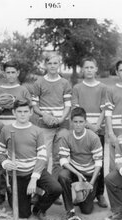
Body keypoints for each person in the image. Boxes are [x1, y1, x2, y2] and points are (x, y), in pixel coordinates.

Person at [0, 99, 62, 220]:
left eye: (25, 111)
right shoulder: (6, 130)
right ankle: (12, 191)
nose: (22, 114)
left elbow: (42, 156)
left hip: (34, 171)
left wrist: (34, 178)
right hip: (18, 174)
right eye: (19, 111)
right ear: (13, 112)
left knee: (56, 189)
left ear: (31, 112)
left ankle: (39, 209)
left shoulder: (37, 130)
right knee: (23, 214)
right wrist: (5, 163)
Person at [0, 61, 32, 206]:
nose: (10, 75)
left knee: (17, 159)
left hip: (19, 129)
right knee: (1, 160)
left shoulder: (23, 90)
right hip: (1, 129)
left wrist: (14, 103)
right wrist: (0, 107)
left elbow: (29, 111)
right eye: (8, 72)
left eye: (13, 72)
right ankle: (1, 192)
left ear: (18, 73)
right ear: (4, 73)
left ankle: (15, 189)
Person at [31, 53, 72, 204]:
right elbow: (34, 106)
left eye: (56, 63)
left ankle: (55, 191)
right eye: (50, 63)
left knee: (59, 158)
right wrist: (45, 115)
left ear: (59, 64)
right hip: (45, 125)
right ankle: (40, 190)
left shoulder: (65, 83)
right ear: (45, 65)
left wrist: (61, 119)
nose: (53, 66)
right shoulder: (39, 82)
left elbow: (68, 105)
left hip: (62, 125)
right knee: (43, 157)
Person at [71, 57, 108, 208]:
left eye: (92, 67)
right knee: (80, 158)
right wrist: (87, 125)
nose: (89, 70)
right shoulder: (77, 88)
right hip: (82, 128)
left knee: (98, 161)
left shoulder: (103, 87)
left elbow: (105, 108)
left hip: (98, 129)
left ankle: (99, 193)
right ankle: (79, 189)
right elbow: (76, 110)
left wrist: (97, 125)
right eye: (86, 67)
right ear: (82, 69)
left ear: (96, 69)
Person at [58, 107, 103, 220]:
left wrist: (91, 183)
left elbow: (98, 162)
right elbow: (63, 160)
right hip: (75, 172)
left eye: (81, 122)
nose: (78, 125)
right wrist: (77, 173)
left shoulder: (93, 137)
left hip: (89, 174)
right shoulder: (67, 136)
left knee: (86, 210)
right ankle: (70, 209)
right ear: (71, 122)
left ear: (85, 122)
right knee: (63, 175)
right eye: (75, 122)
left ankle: (89, 194)